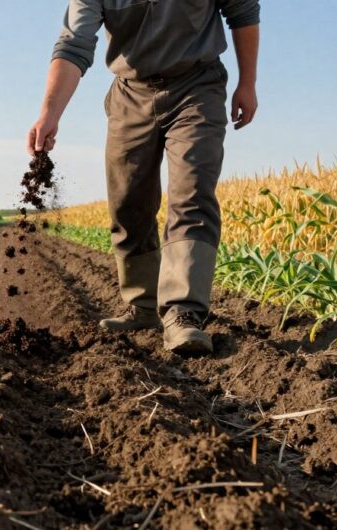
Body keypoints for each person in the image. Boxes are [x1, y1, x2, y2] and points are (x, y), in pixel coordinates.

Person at [28, 0, 260, 354]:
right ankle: (143, 307)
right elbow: (74, 44)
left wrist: (248, 83)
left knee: (191, 193)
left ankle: (184, 313)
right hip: (130, 94)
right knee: (127, 204)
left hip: (196, 86)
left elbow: (242, 12)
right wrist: (49, 113)